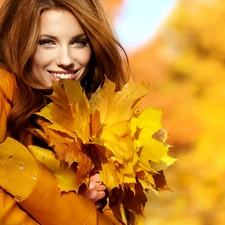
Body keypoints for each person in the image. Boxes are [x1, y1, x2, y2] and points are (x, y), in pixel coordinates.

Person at [0, 0, 130, 224]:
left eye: (79, 43)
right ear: (19, 42)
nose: (66, 60)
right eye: (47, 42)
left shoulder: (94, 117)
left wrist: (81, 197)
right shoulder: (3, 86)